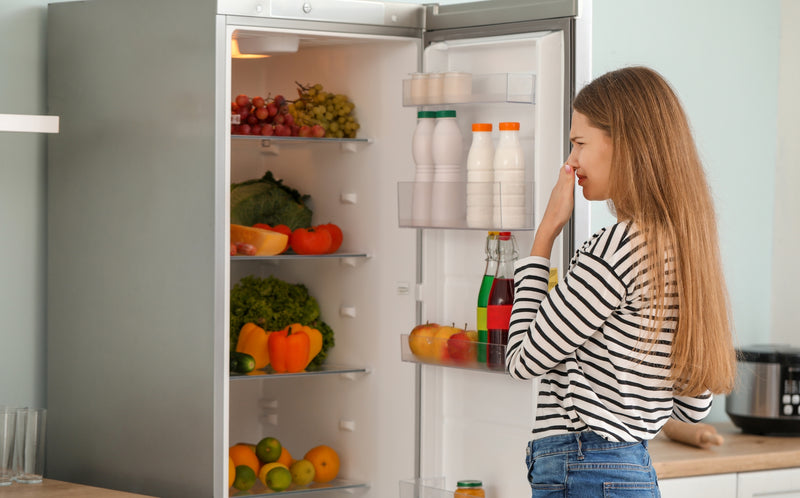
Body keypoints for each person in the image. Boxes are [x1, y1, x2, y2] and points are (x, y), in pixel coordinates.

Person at [505, 66, 737, 497]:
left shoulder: (614, 250)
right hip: (631, 468)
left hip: (584, 464)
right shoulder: (684, 247)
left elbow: (522, 360)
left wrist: (544, 235)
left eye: (579, 143)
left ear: (624, 144)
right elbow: (693, 406)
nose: (571, 161)